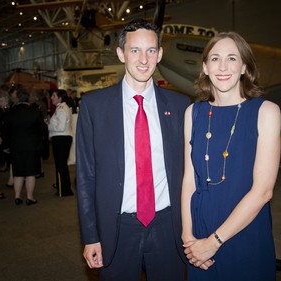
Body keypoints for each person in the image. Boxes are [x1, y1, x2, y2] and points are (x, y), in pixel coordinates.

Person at [76, 19, 190, 281]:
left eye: (151, 50)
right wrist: (91, 236)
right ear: (121, 53)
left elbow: (188, 172)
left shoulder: (180, 105)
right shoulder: (95, 106)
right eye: (135, 50)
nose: (143, 59)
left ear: (160, 54)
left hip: (167, 227)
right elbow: (86, 177)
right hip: (117, 228)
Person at [181, 31, 281, 281]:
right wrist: (188, 237)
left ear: (245, 66)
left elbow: (263, 191)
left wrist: (213, 242)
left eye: (232, 58)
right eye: (215, 59)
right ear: (205, 67)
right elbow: (189, 179)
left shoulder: (266, 112)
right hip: (199, 235)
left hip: (244, 232)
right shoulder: (193, 113)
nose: (223, 66)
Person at [5, 88, 44, 206]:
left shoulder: (10, 112)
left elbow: (6, 130)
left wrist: (7, 145)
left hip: (15, 145)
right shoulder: (35, 111)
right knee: (30, 172)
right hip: (31, 145)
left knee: (18, 172)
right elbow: (41, 130)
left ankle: (17, 196)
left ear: (17, 98)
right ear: (29, 99)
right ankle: (29, 197)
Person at [48, 89, 74, 197]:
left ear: (60, 98)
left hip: (61, 138)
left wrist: (49, 125)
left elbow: (60, 127)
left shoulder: (61, 109)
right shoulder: (62, 108)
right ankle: (63, 186)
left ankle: (64, 189)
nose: (51, 98)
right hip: (63, 138)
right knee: (61, 164)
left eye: (54, 96)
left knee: (61, 165)